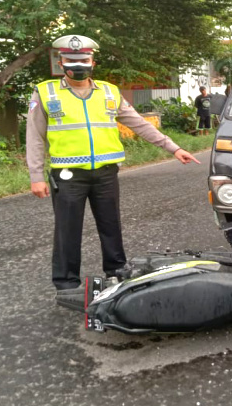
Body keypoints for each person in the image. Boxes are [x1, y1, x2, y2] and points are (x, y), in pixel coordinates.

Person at [26, 34, 200, 295]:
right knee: (67, 230)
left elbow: (139, 124)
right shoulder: (45, 92)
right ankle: (66, 282)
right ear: (60, 62)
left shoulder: (109, 91)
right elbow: (35, 136)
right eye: (71, 60)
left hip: (106, 173)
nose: (78, 64)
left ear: (92, 61)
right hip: (68, 175)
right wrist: (36, 175)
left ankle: (116, 270)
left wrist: (173, 148)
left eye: (84, 59)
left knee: (110, 224)